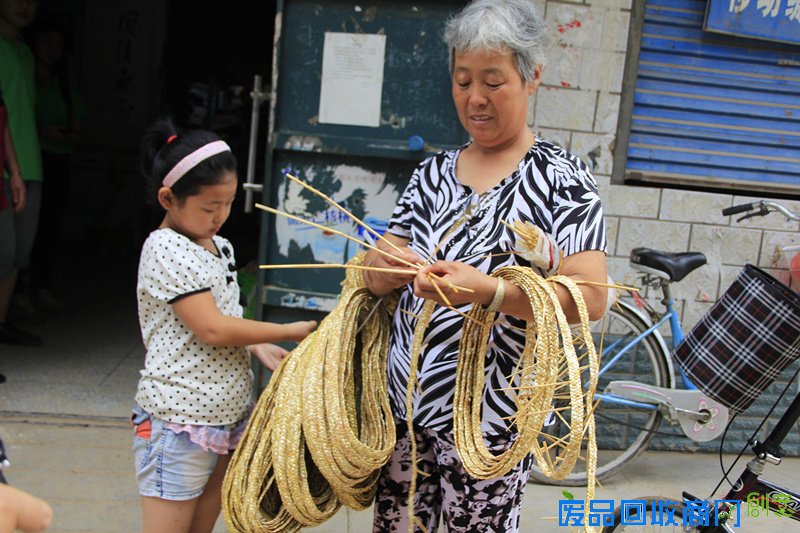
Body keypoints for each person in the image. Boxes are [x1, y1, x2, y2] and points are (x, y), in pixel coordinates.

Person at [362, 1, 609, 531]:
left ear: (532, 76)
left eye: (493, 81)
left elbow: (590, 299)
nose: (475, 97)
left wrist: (490, 292)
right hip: (404, 410)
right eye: (463, 80)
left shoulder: (563, 179)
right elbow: (372, 269)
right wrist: (386, 268)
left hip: (490, 421)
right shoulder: (431, 174)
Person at [133, 119, 317, 533]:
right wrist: (288, 330)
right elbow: (212, 329)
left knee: (202, 523)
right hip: (179, 418)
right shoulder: (165, 248)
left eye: (229, 203)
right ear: (168, 198)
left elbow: (228, 316)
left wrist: (255, 345)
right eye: (208, 206)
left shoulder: (221, 246)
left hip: (225, 416)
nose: (220, 216)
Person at [17, 17, 86, 314]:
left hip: (58, 159)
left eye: (58, 45)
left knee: (50, 225)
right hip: (27, 158)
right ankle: (18, 291)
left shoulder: (63, 83)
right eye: (46, 42)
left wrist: (69, 134)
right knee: (24, 230)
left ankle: (41, 285)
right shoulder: (24, 75)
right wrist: (41, 131)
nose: (51, 50)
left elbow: (80, 123)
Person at [0, 0, 42, 346]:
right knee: (4, 250)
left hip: (31, 163)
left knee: (17, 254)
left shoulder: (27, 53)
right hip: (5, 167)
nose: (24, 6)